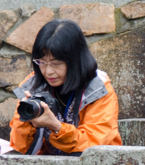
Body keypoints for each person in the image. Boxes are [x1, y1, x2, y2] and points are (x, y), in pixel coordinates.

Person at [9, 19, 121, 155]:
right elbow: (21, 147)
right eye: (41, 62)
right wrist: (27, 122)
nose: (48, 72)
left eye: (56, 63)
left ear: (75, 60)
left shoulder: (98, 90)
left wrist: (56, 127)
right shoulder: (32, 86)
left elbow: (93, 147)